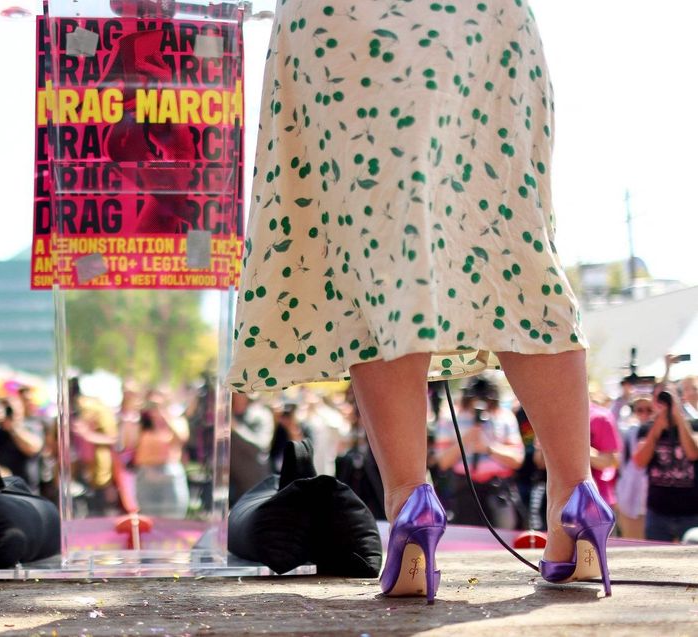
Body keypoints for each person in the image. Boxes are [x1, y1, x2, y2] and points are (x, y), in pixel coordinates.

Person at [227, 0, 611, 601]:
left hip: (343, 21)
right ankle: (577, 494)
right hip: (483, 19)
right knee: (512, 241)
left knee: (376, 255)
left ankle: (410, 502)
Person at [434, 377, 525, 529]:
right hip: (464, 491)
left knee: (505, 531)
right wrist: (466, 440)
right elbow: (442, 462)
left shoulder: (505, 417)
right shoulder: (450, 419)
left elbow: (517, 459)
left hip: (498, 491)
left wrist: (488, 448)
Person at [631, 390, 698, 542]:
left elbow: (693, 453)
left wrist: (679, 419)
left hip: (691, 511)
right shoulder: (647, 429)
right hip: (658, 511)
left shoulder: (694, 425)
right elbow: (639, 461)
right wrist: (657, 428)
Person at [0, 398, 44, 492]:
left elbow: (33, 448)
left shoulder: (31, 425)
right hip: (4, 489)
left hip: (27, 489)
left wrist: (13, 428)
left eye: (12, 408)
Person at [616, 395, 653, 539]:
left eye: (649, 410)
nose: (644, 414)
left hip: (658, 499)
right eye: (640, 410)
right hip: (631, 495)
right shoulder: (630, 431)